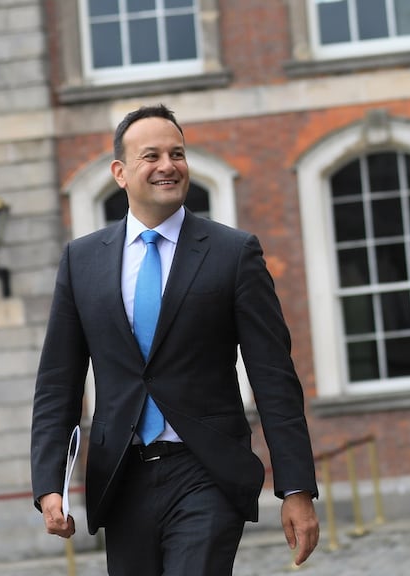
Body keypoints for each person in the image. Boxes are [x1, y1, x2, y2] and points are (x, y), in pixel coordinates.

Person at [30, 104, 319, 575]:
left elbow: (273, 378)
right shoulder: (81, 261)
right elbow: (57, 384)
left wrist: (297, 488)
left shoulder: (234, 254)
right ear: (120, 173)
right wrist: (49, 483)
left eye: (177, 153)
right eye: (152, 155)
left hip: (206, 470)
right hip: (121, 477)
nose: (168, 165)